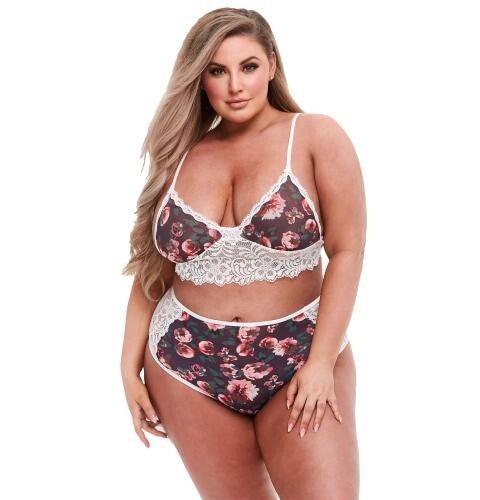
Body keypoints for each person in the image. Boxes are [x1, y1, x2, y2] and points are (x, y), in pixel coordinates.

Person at [121, 7, 366, 499]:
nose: (235, 85)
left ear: (271, 65)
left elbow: (347, 251)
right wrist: (127, 367)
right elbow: (154, 271)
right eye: (217, 70)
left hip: (299, 354)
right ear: (199, 77)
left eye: (248, 66)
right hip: (184, 364)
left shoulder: (314, 135)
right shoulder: (179, 154)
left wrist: (321, 362)